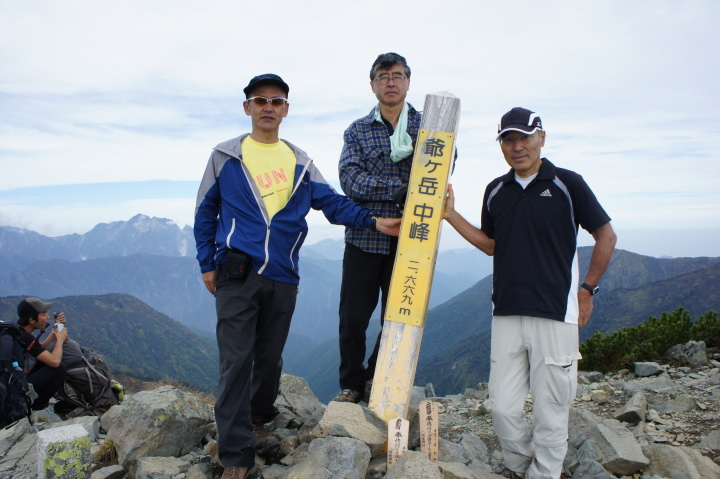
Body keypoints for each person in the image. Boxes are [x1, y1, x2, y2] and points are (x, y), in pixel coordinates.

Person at [194, 73, 400, 479]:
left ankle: (258, 418)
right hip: (237, 270)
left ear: (286, 109)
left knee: (268, 358)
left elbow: (332, 203)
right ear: (247, 108)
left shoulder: (301, 162)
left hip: (284, 273)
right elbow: (205, 210)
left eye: (276, 101)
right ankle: (236, 457)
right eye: (260, 101)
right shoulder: (225, 155)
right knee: (236, 360)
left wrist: (374, 221)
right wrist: (206, 263)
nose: (268, 107)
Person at [444, 107, 617, 479]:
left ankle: (545, 473)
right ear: (501, 145)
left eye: (524, 137)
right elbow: (491, 244)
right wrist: (450, 214)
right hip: (506, 310)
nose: (517, 146)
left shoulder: (568, 184)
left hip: (556, 312)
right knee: (502, 407)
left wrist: (587, 290)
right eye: (508, 139)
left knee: (551, 407)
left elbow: (605, 234)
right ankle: (519, 466)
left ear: (542, 137)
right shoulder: (496, 190)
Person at [334, 52, 420, 403]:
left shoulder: (428, 129)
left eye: (397, 75)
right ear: (372, 85)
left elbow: (444, 166)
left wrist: (393, 191)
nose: (390, 82)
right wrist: (398, 190)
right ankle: (351, 384)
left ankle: (376, 377)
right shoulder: (357, 130)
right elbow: (349, 179)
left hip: (411, 241)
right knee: (353, 318)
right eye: (383, 76)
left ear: (408, 82)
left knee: (397, 317)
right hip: (364, 238)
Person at [16, 297, 68, 411]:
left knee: (42, 361)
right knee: (59, 368)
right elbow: (54, 362)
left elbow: (40, 348)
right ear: (31, 320)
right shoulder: (25, 338)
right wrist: (60, 340)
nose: (48, 317)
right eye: (44, 315)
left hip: (13, 382)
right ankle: (35, 408)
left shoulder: (18, 333)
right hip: (15, 389)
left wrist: (55, 332)